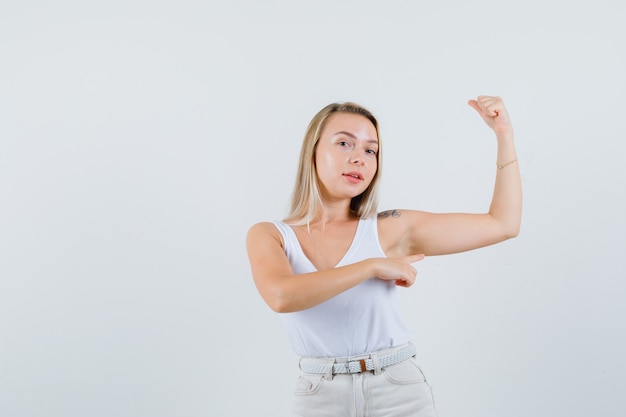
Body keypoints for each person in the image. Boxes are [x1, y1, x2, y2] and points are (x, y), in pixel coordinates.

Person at [246, 96, 522, 417]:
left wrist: (504, 135)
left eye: (370, 150)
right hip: (319, 394)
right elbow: (281, 296)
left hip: (397, 390)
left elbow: (503, 224)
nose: (359, 158)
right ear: (313, 151)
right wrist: (372, 265)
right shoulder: (270, 235)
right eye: (344, 144)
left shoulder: (388, 228)